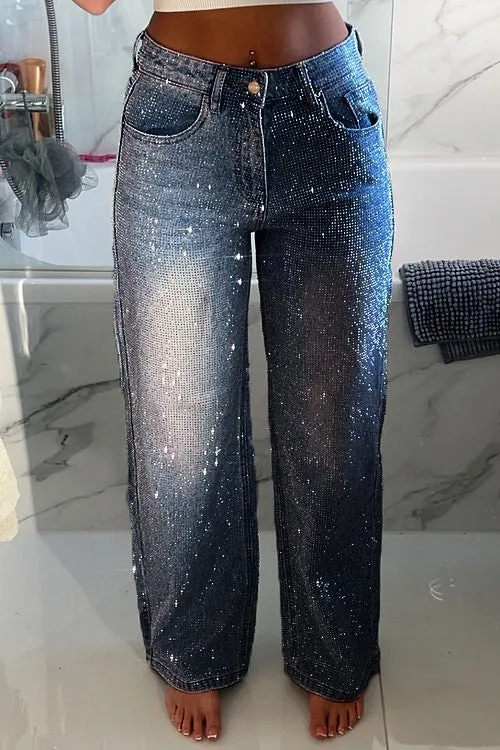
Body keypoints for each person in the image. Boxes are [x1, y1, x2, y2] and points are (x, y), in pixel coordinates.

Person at [75, 0, 394, 741]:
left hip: (325, 108)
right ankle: (196, 648)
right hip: (178, 119)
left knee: (335, 428)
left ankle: (333, 648)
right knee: (180, 433)